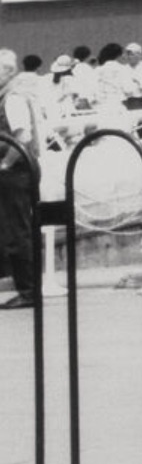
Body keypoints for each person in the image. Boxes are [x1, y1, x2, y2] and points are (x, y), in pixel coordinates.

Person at [1, 49, 44, 311]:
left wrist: (5, 163)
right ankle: (25, 288)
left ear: (9, 72)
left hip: (15, 172)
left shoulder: (12, 98)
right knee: (15, 230)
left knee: (18, 231)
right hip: (16, 170)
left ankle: (28, 290)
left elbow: (22, 136)